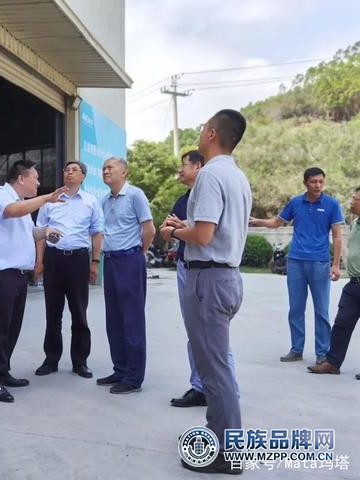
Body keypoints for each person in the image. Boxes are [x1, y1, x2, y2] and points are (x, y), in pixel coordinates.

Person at [161, 109, 251, 474]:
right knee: (215, 364)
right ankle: (218, 435)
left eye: (202, 129)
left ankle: (228, 453)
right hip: (225, 277)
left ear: (212, 134)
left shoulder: (210, 175)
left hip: (209, 281)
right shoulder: (236, 175)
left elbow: (202, 235)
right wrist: (187, 225)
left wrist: (173, 232)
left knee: (214, 369)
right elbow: (214, 229)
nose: (200, 133)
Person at [0, 159, 67, 403]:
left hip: (18, 275)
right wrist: (46, 199)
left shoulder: (22, 204)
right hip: (1, 274)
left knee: (12, 328)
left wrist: (46, 232)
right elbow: (11, 212)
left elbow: (29, 232)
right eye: (35, 178)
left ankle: (3, 371)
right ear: (21, 178)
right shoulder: (1, 195)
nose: (38, 183)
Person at [162, 151, 240, 408]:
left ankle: (224, 393)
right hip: (189, 266)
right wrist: (177, 228)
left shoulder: (214, 187)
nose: (180, 169)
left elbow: (204, 233)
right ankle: (202, 386)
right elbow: (185, 230)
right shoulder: (184, 199)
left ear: (198, 167)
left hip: (211, 271)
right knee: (196, 334)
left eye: (184, 164)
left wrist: (177, 229)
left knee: (214, 339)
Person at [250, 167, 344, 364]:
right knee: (295, 308)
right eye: (313, 182)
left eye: (321, 181)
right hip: (295, 262)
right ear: (305, 183)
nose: (318, 185)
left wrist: (336, 264)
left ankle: (322, 353)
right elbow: (277, 223)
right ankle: (296, 349)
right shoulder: (295, 202)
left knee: (321, 310)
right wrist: (256, 220)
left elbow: (337, 235)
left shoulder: (332, 204)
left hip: (319, 262)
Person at [33, 161, 104, 379]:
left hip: (78, 259)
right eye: (66, 170)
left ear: (83, 176)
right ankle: (51, 359)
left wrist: (95, 262)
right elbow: (40, 232)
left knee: (79, 312)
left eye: (74, 170)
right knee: (52, 312)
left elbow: (97, 233)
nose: (69, 173)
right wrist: (39, 261)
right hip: (54, 259)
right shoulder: (51, 200)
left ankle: (80, 362)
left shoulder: (91, 202)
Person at [96, 157, 155, 394]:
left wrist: (138, 253)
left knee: (132, 319)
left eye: (110, 167)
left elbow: (149, 230)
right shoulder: (104, 200)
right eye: (104, 168)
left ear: (124, 172)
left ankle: (133, 377)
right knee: (114, 319)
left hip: (130, 260)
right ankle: (120, 369)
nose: (105, 171)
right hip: (110, 261)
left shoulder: (135, 195)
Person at [307, 187, 360, 378]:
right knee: (342, 324)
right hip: (353, 284)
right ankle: (332, 363)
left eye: (355, 199)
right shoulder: (355, 222)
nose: (352, 202)